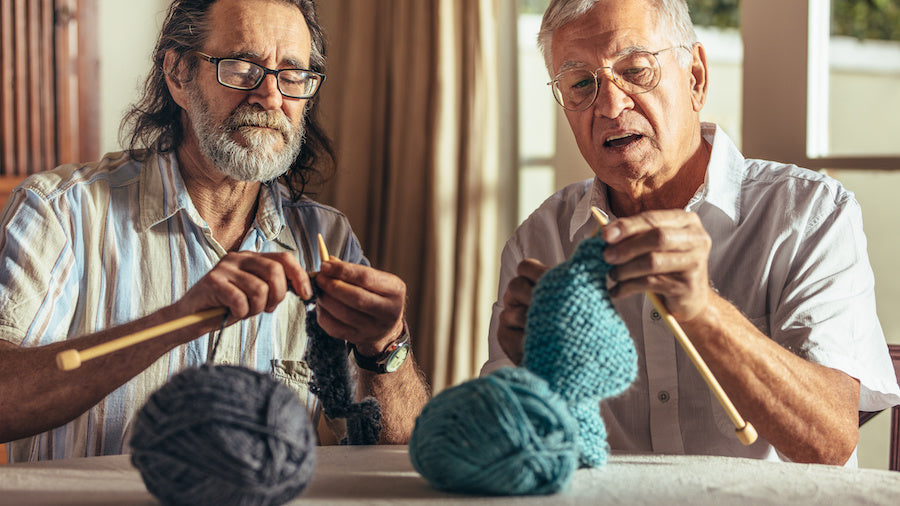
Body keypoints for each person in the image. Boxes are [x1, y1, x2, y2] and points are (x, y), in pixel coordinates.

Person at [0, 0, 429, 462]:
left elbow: (398, 459)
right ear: (179, 75)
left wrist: (385, 345)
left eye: (292, 75)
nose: (270, 97)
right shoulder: (61, 211)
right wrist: (173, 322)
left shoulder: (327, 237)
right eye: (243, 67)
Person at [482, 0, 900, 466]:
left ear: (695, 77)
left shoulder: (810, 212)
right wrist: (538, 375)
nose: (610, 104)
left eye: (635, 70)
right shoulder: (540, 241)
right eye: (581, 83)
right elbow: (509, 453)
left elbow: (831, 441)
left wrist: (705, 312)